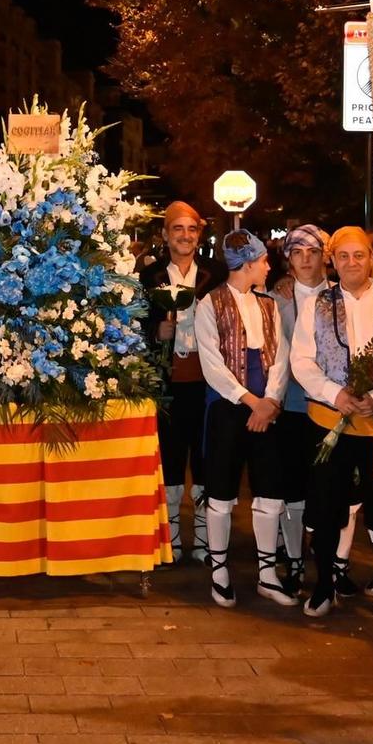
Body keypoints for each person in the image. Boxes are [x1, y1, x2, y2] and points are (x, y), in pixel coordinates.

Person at [291, 226, 373, 620]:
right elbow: (302, 360)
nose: (352, 263)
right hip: (329, 420)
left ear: (371, 259)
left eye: (359, 255)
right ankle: (324, 584)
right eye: (344, 256)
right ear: (333, 260)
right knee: (326, 506)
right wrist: (334, 394)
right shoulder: (316, 304)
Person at [192, 230, 292, 608]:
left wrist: (270, 401)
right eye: (264, 261)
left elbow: (279, 358)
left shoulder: (268, 305)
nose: (268, 266)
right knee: (221, 491)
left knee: (269, 490)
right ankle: (219, 570)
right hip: (229, 407)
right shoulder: (209, 304)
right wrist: (251, 401)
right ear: (247, 264)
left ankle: (267, 574)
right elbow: (212, 364)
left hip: (265, 408)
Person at [139, 201, 221, 564]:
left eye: (191, 230)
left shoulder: (216, 274)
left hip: (208, 381)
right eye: (178, 229)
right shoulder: (150, 276)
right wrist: (156, 330)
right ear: (165, 235)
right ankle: (169, 537)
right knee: (170, 458)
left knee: (205, 458)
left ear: (199, 235)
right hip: (169, 382)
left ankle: (204, 540)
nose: (185, 236)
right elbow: (135, 322)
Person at [267, 226, 328, 601]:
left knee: (327, 488)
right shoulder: (275, 299)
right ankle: (294, 559)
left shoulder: (339, 294)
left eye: (313, 251)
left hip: (330, 407)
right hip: (290, 404)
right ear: (287, 259)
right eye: (297, 252)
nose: (305, 258)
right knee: (292, 486)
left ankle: (331, 564)